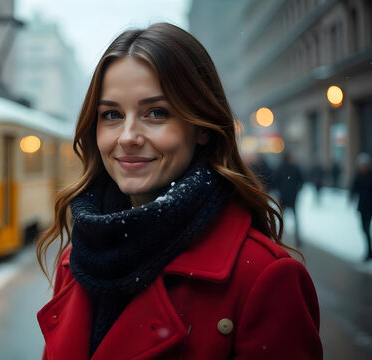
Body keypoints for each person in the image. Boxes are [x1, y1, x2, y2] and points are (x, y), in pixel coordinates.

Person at [36, 23, 322, 359]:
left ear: (200, 127)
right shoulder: (77, 261)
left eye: (156, 113)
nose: (127, 136)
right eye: (111, 114)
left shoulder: (263, 277)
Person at [273, 152, 305, 246]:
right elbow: (302, 180)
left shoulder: (280, 168)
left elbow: (275, 181)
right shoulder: (295, 168)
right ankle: (297, 239)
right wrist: (297, 191)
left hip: (283, 197)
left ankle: (279, 239)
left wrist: (280, 191)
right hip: (292, 197)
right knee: (295, 219)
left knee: (282, 219)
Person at [351, 153, 372, 261]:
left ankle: (369, 252)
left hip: (370, 206)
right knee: (364, 229)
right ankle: (369, 250)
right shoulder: (358, 176)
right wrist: (350, 197)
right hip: (362, 207)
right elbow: (354, 188)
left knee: (367, 228)